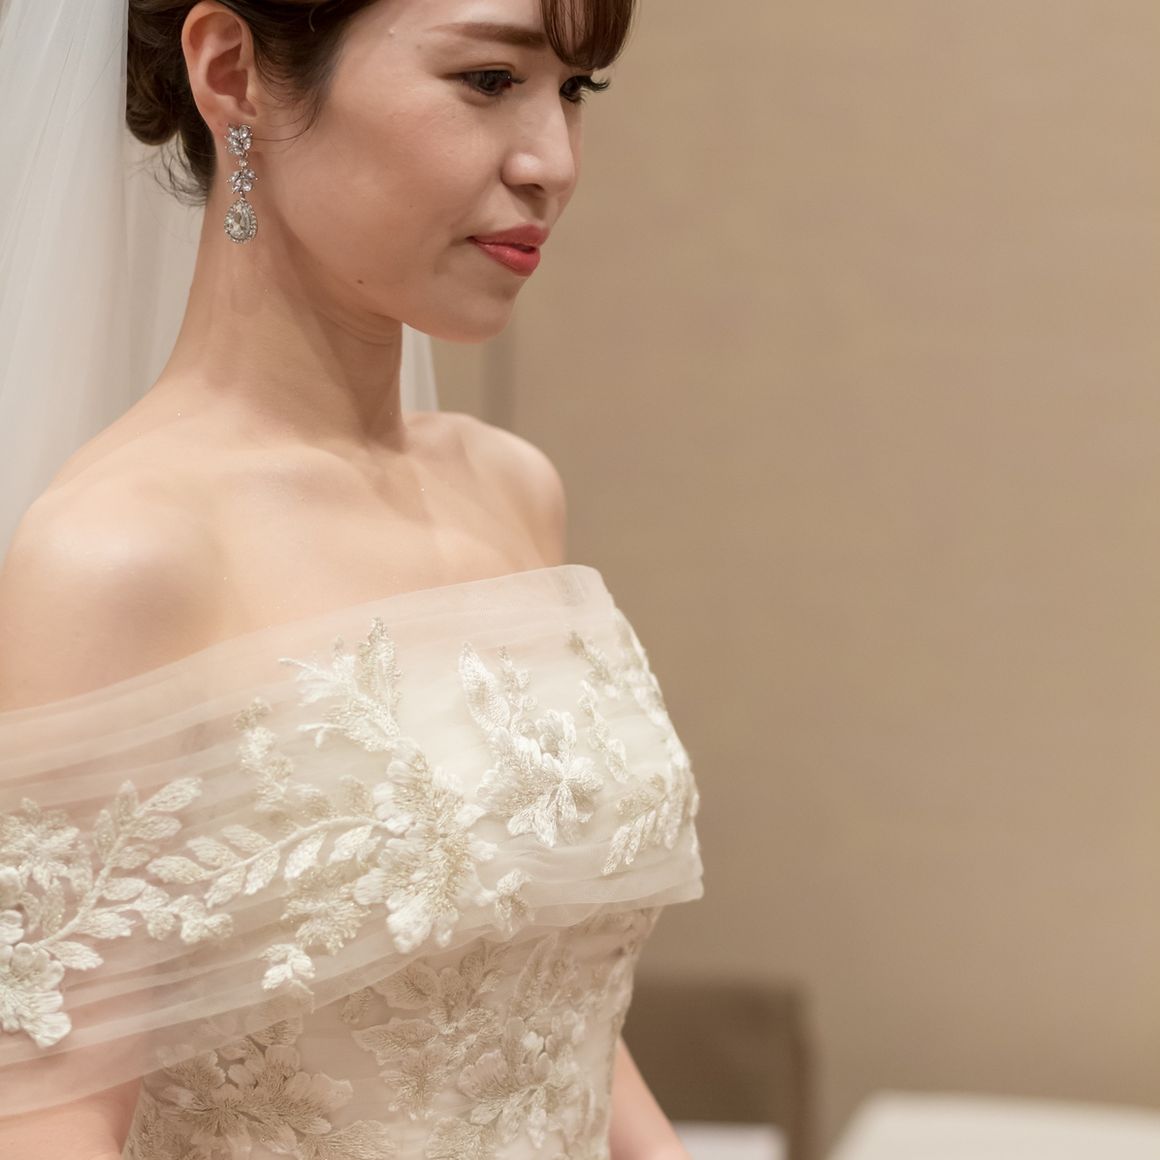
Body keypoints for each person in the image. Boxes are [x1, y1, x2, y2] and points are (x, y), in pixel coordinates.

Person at [0, 2, 704, 1158]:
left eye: (574, 90)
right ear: (232, 71)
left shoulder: (511, 489)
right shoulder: (121, 557)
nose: (553, 162)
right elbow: (45, 1118)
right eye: (488, 80)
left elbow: (540, 984)